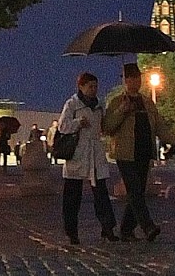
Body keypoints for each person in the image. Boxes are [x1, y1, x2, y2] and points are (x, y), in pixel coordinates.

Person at [102, 63, 172, 243]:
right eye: (131, 77)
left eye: (138, 77)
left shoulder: (147, 102)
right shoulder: (117, 102)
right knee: (134, 191)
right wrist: (122, 111)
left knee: (138, 191)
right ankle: (148, 226)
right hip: (125, 153)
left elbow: (159, 125)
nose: (136, 81)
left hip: (144, 152)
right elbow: (107, 127)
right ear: (126, 80)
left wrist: (173, 141)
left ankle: (126, 229)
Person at [54, 71, 120, 246]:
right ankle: (71, 232)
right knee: (72, 196)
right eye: (90, 86)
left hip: (95, 153)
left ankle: (108, 228)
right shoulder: (72, 104)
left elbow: (104, 126)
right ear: (81, 87)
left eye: (95, 86)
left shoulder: (99, 105)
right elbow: (62, 126)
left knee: (101, 193)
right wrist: (78, 123)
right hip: (77, 152)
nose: (93, 90)